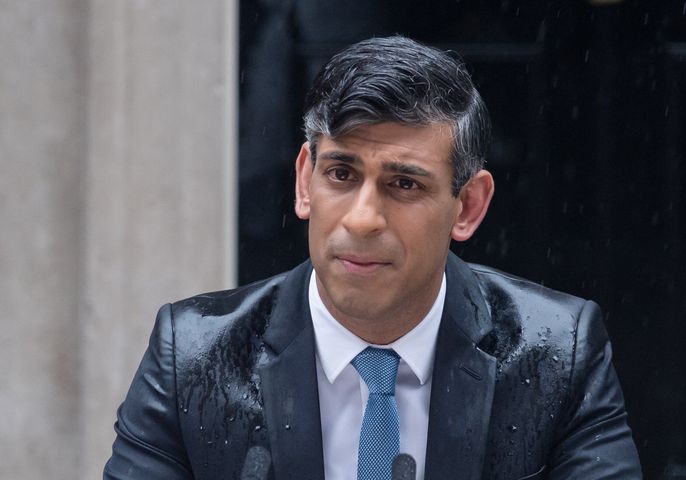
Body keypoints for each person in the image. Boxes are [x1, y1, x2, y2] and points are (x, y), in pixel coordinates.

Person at [104, 36, 642, 480]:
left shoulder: (557, 352)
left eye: (403, 183)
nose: (362, 218)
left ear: (468, 206)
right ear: (304, 182)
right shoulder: (193, 354)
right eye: (341, 174)